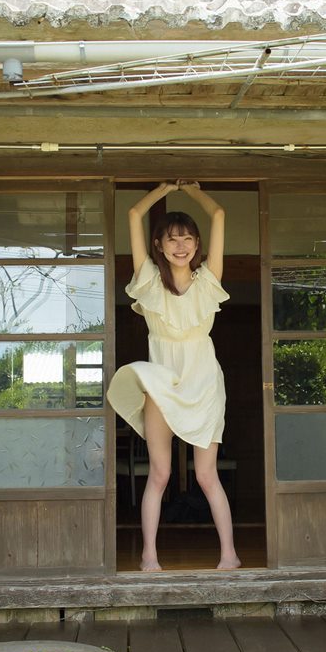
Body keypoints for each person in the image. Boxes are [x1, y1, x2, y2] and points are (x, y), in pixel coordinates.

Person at [107, 181, 241, 572]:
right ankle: (149, 556)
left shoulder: (209, 281)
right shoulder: (148, 280)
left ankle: (229, 555)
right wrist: (164, 188)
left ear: (197, 244)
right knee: (160, 473)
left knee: (207, 475)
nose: (180, 246)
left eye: (187, 238)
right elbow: (134, 214)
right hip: (162, 384)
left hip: (204, 384)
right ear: (159, 246)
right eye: (172, 239)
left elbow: (219, 214)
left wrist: (192, 190)